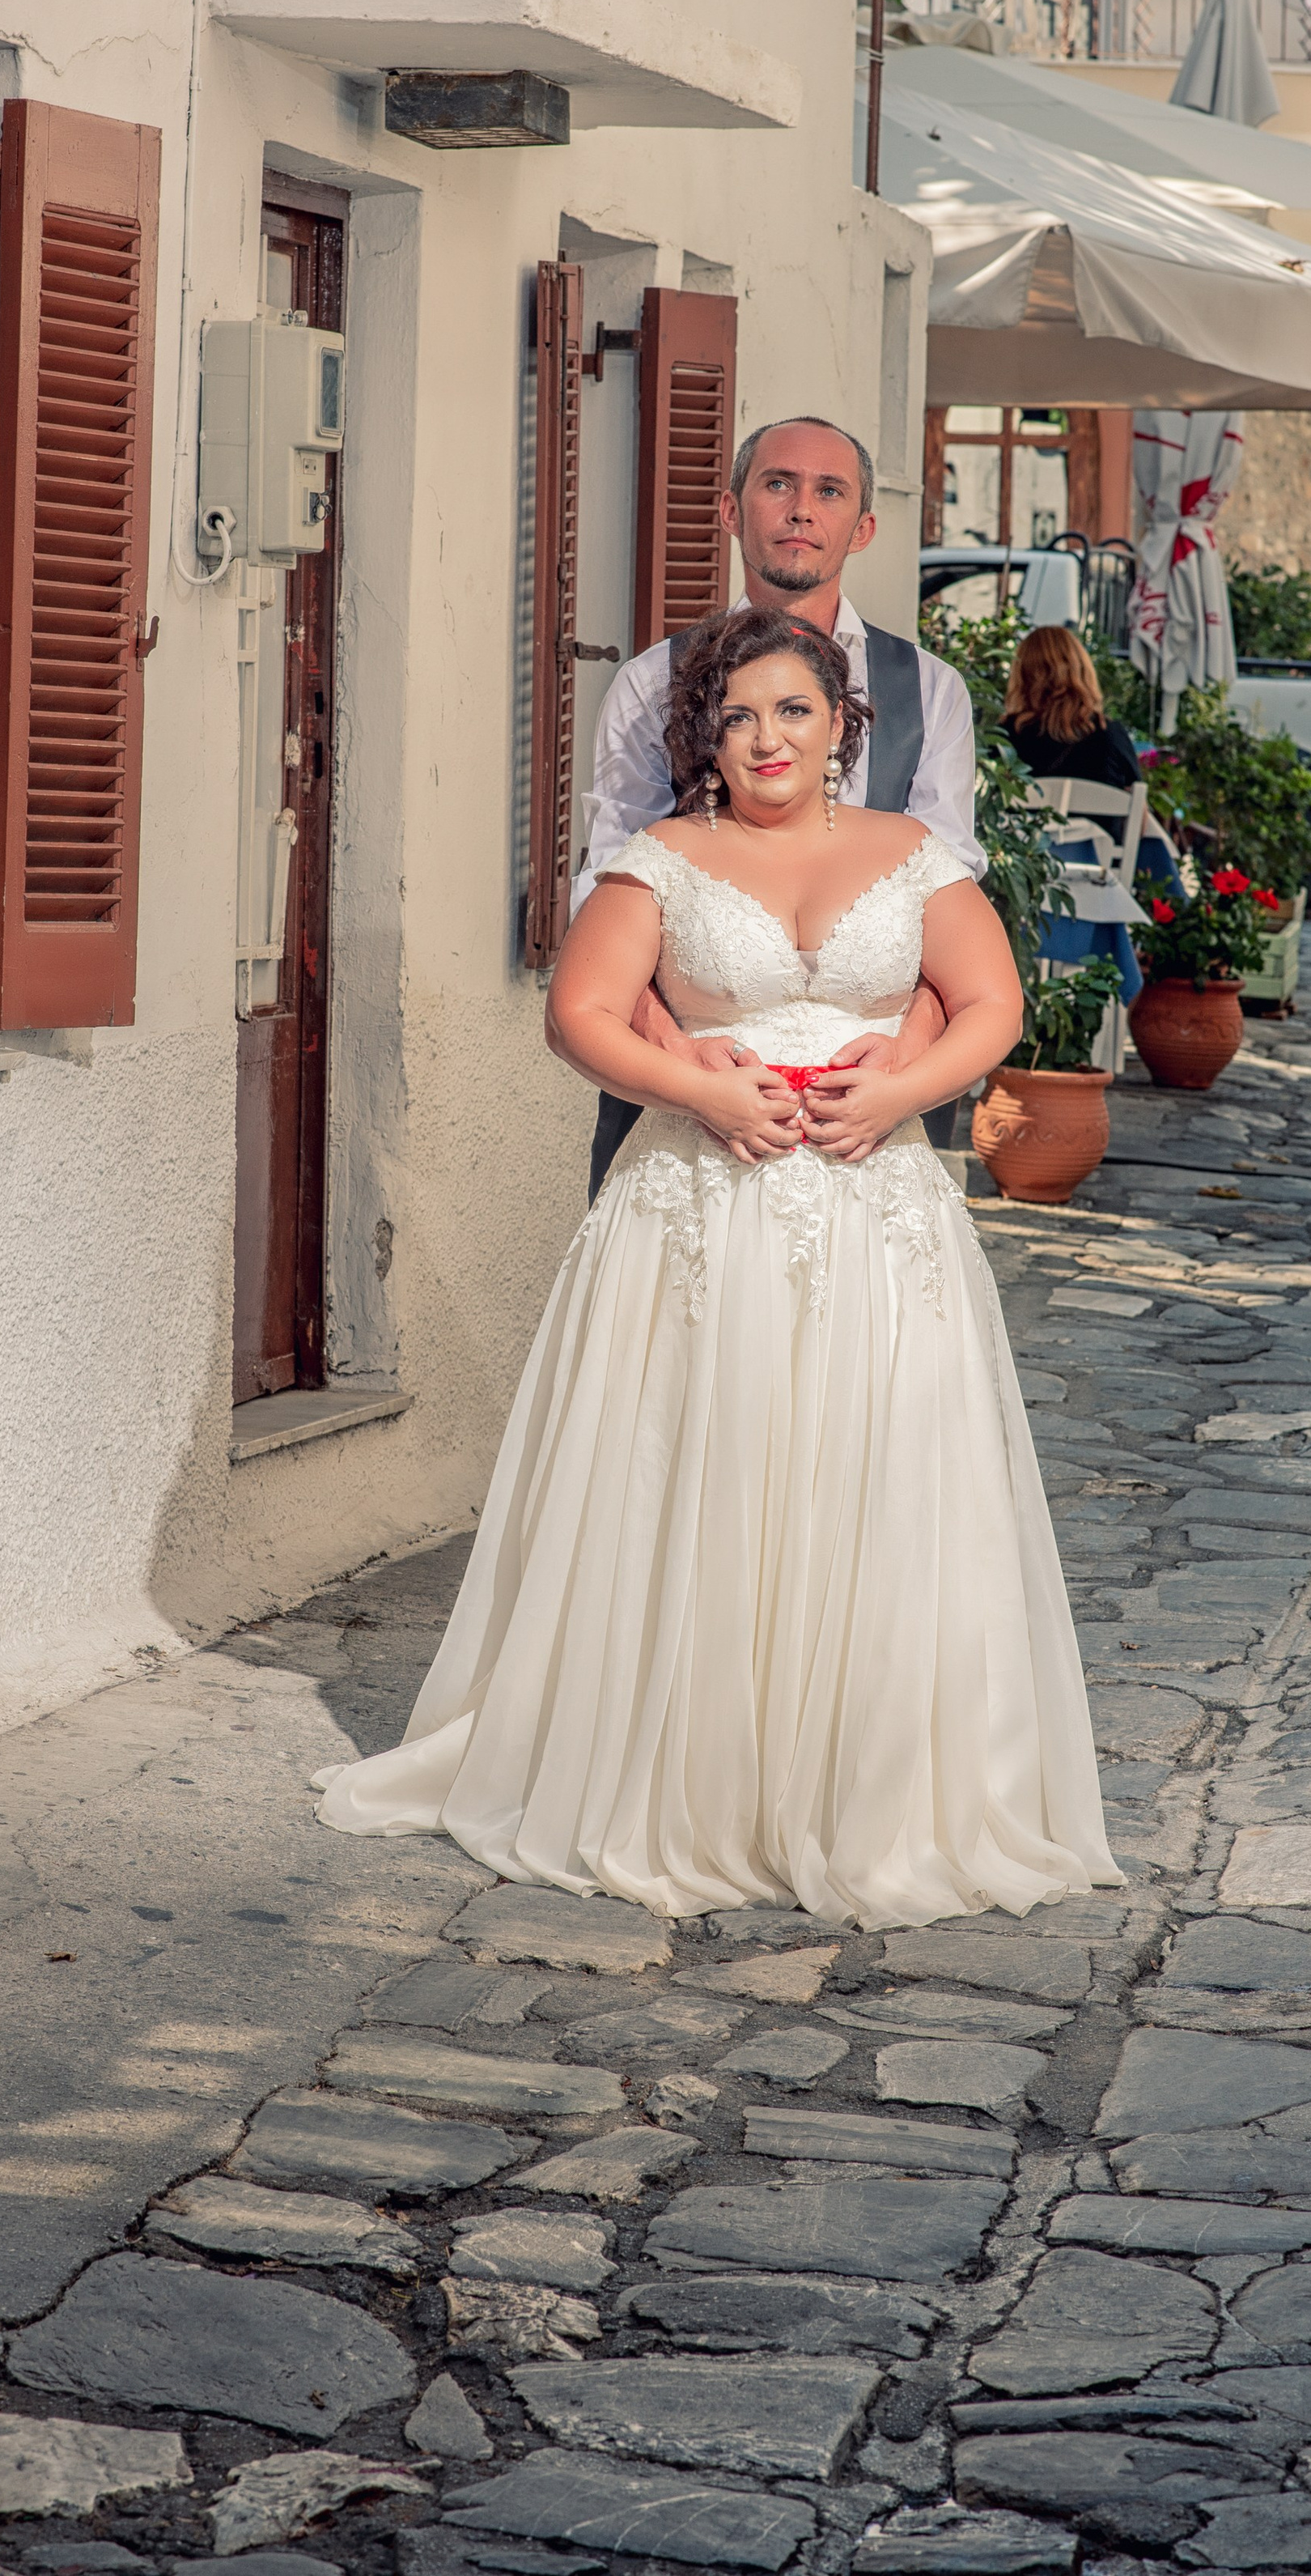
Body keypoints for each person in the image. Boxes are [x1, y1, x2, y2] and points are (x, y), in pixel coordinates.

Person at [315, 606, 1118, 1928]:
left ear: (840, 726)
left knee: (869, 1474)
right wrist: (698, 1093)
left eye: (793, 711)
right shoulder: (661, 861)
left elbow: (993, 1006)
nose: (765, 738)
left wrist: (895, 1093)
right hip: (700, 1206)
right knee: (706, 1470)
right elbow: (581, 1014)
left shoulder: (914, 856)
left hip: (877, 1211)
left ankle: (867, 1786)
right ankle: (685, 1781)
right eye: (737, 716)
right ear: (705, 735)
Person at [576, 416, 982, 1204]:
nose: (801, 508)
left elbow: (951, 912)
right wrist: (677, 1062)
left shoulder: (931, 694)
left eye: (828, 490)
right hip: (685, 1105)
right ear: (731, 511)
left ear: (861, 526)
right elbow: (607, 889)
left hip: (869, 1113)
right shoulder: (649, 684)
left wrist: (907, 1061)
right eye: (777, 484)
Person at [1003, 625, 1142, 793]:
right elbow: (1137, 807)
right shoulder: (1110, 733)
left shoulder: (1004, 737)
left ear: (1022, 674)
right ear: (1081, 669)